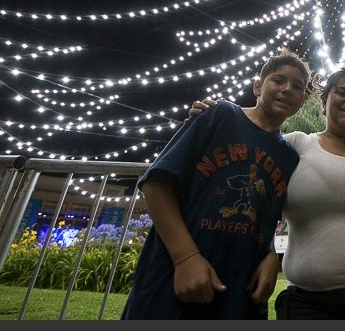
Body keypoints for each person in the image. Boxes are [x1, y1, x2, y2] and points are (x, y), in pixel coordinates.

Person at [190, 67, 345, 319]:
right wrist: (218, 117)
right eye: (341, 92)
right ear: (323, 102)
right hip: (308, 302)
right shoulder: (296, 145)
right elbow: (251, 178)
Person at [121, 48, 311, 319]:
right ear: (258, 86)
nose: (287, 89)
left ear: (302, 100)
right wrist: (185, 258)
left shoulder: (288, 156)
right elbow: (156, 184)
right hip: (171, 280)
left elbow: (269, 213)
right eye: (278, 80)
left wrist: (272, 254)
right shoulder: (220, 115)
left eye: (297, 86)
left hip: (238, 292)